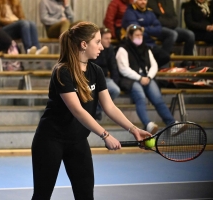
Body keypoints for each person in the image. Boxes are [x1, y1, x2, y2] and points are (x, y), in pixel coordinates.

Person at [31, 21, 152, 200]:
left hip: (78, 141)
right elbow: (77, 110)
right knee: (42, 195)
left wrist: (133, 129)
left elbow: (109, 106)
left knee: (86, 195)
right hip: (50, 140)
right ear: (84, 44)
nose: (102, 47)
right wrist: (105, 135)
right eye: (97, 41)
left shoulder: (96, 71)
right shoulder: (62, 71)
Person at [116, 24, 181, 134]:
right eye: (137, 35)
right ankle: (148, 124)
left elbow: (154, 65)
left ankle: (172, 124)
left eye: (141, 35)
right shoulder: (122, 49)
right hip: (131, 79)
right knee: (140, 97)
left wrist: (149, 77)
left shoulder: (146, 48)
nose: (139, 37)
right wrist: (140, 78)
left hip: (147, 77)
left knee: (158, 99)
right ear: (130, 36)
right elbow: (123, 69)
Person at [121, 0, 170, 69]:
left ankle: (150, 71)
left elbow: (159, 29)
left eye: (145, 0)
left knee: (165, 57)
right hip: (137, 46)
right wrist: (151, 33)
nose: (143, 2)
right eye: (140, 0)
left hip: (151, 44)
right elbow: (136, 31)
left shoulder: (150, 12)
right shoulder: (130, 13)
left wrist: (145, 29)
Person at [91, 27, 121, 121]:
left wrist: (115, 81)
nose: (109, 41)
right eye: (106, 38)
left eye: (110, 38)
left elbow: (113, 66)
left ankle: (97, 109)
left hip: (104, 77)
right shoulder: (92, 48)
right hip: (91, 77)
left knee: (115, 90)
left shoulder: (110, 49)